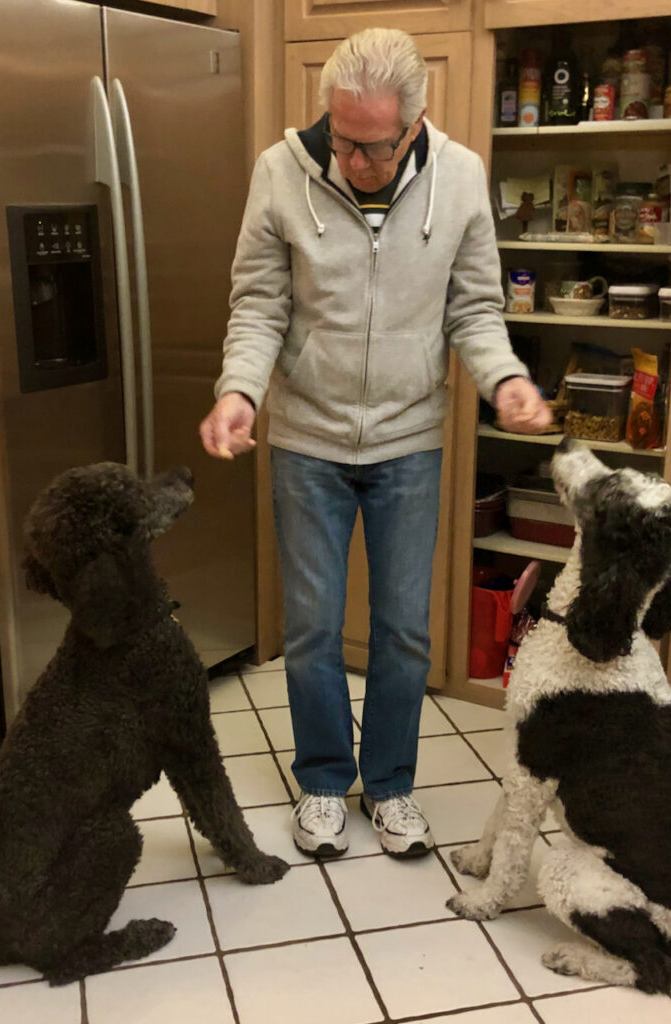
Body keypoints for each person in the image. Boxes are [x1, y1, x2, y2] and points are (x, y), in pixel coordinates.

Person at [199, 28, 550, 860]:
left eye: (372, 145)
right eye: (339, 137)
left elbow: (474, 307)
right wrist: (238, 390)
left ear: (413, 124)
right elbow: (258, 305)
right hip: (308, 440)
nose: (351, 157)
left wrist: (503, 378)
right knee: (315, 626)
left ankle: (390, 786)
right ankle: (324, 780)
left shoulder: (461, 179)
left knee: (402, 631)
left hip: (409, 441)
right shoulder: (280, 172)